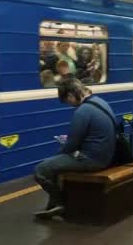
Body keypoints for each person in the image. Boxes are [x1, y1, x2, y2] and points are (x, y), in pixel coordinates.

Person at [34, 79, 116, 218]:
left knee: (41, 170)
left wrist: (58, 155)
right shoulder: (100, 102)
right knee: (54, 166)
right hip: (107, 155)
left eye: (67, 101)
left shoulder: (82, 111)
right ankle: (53, 205)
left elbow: (71, 145)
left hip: (92, 160)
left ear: (71, 95)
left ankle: (61, 203)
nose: (69, 105)